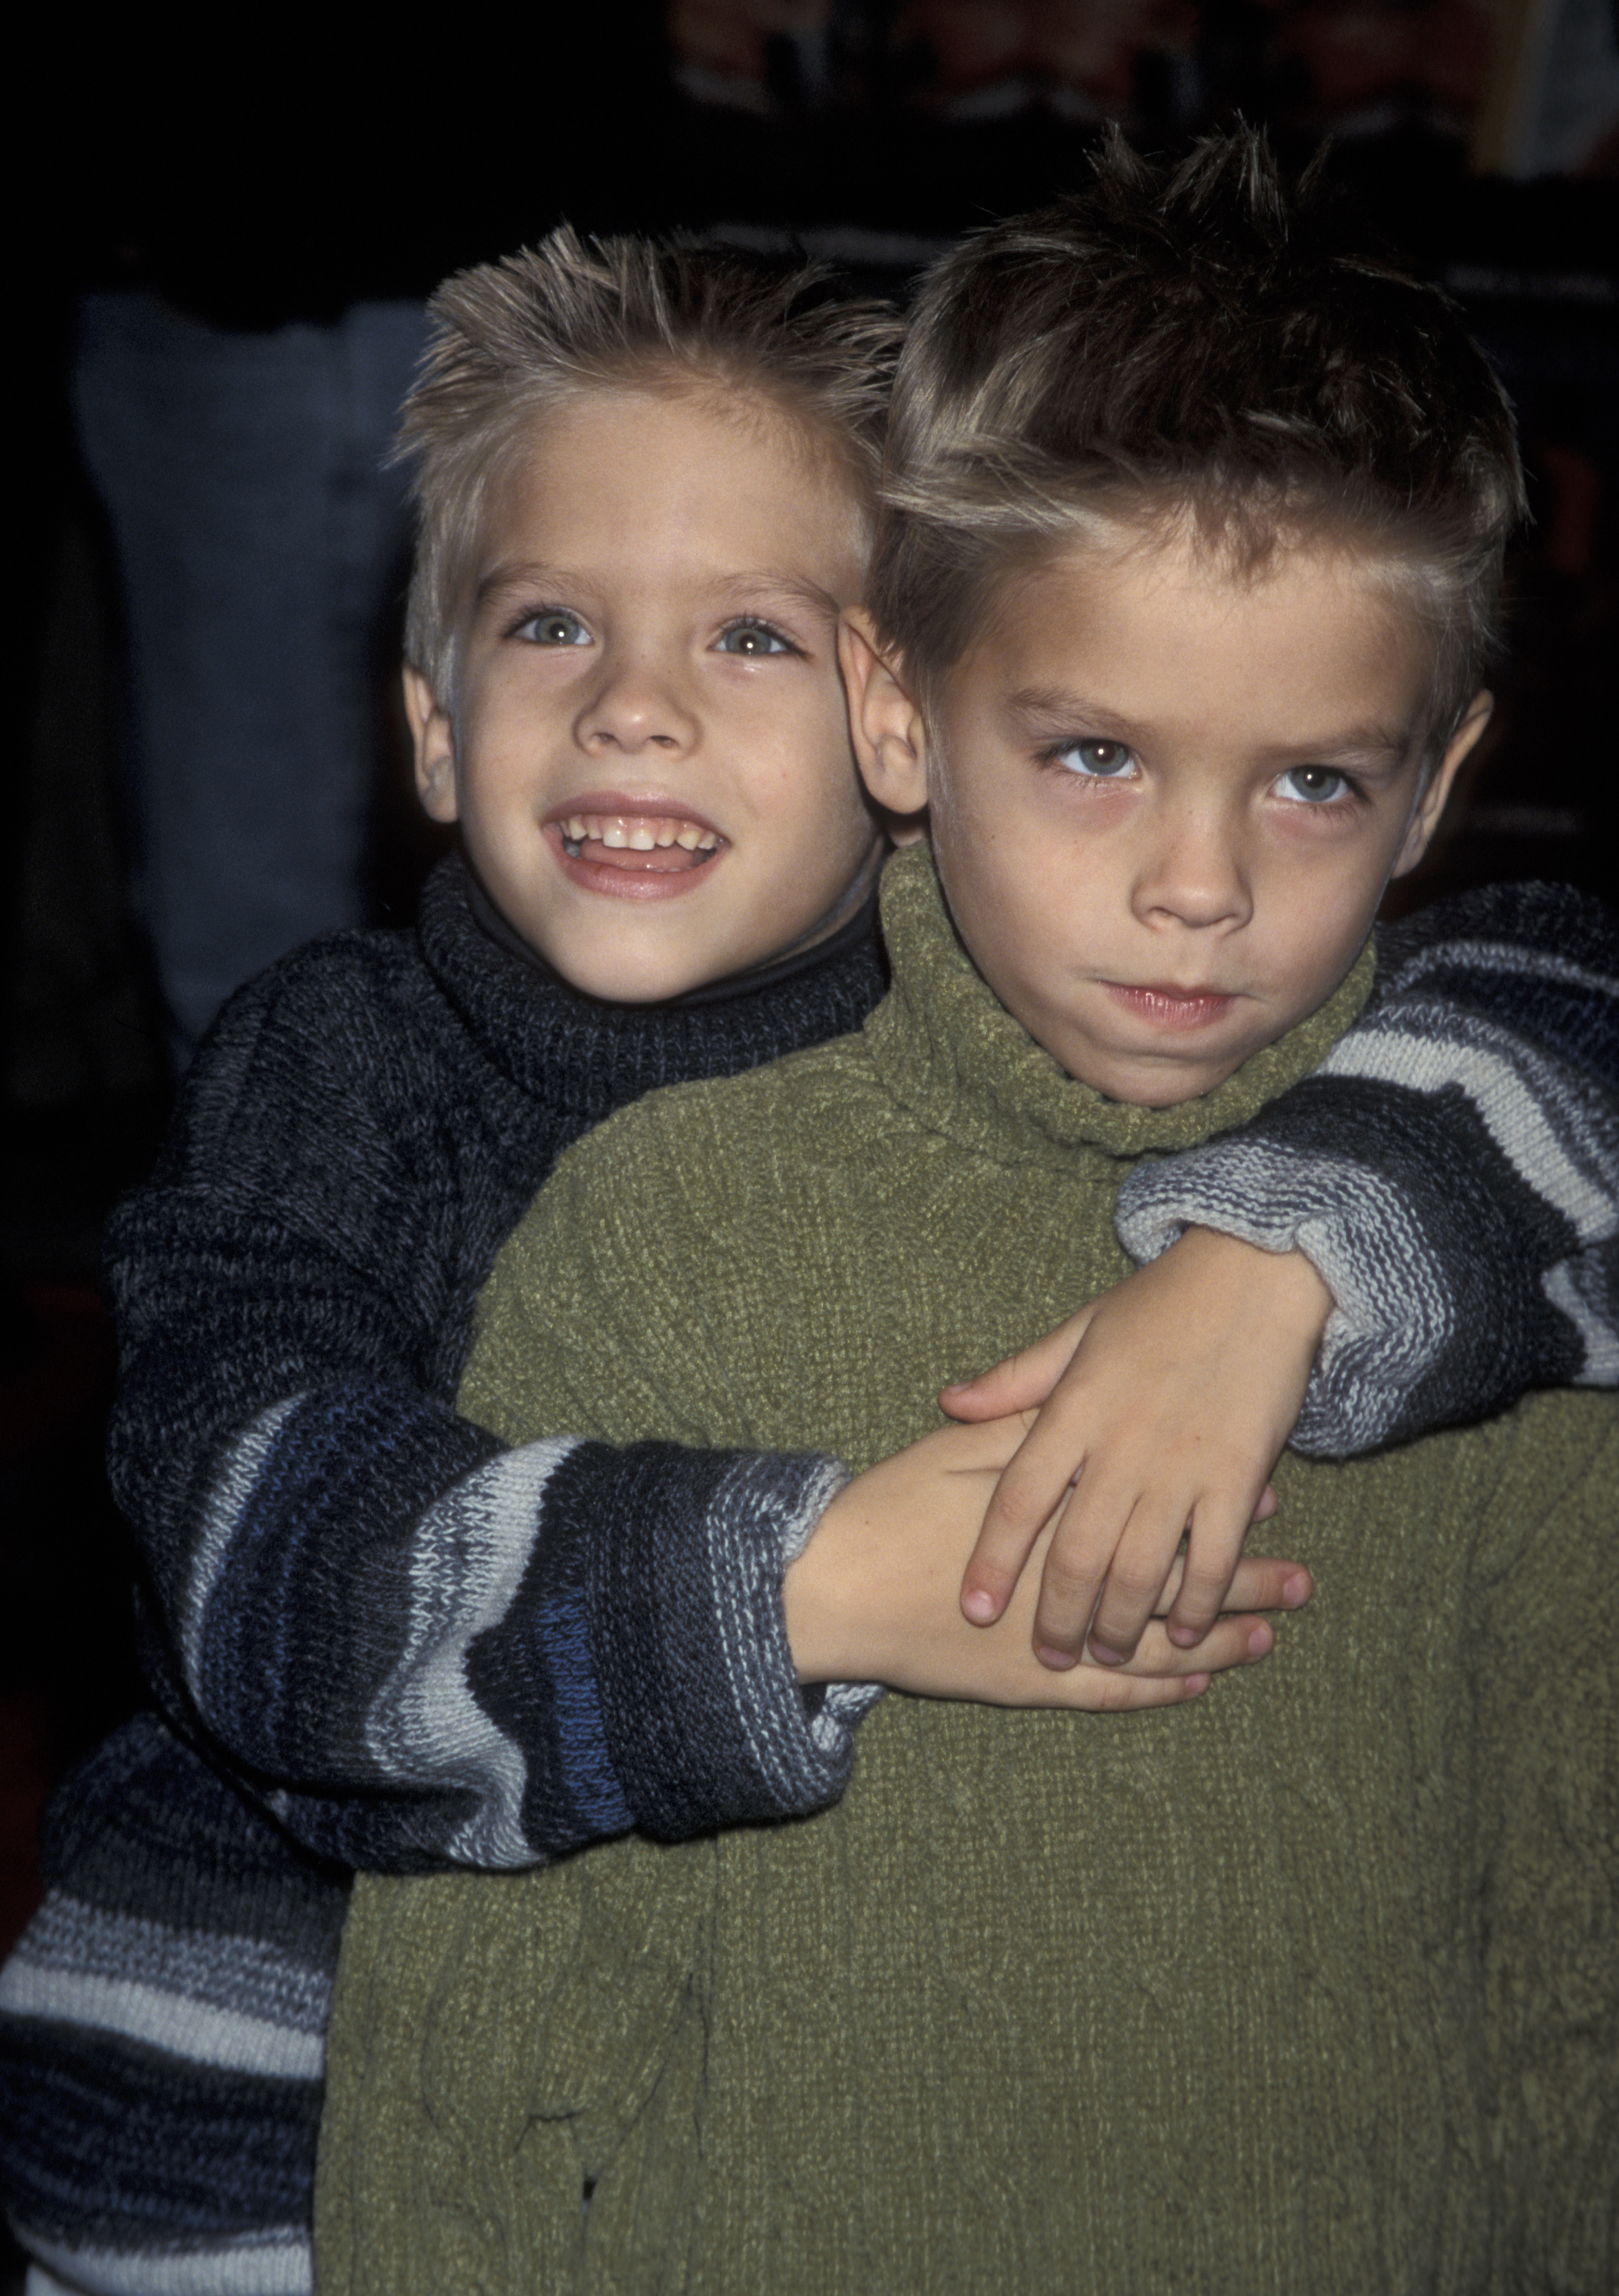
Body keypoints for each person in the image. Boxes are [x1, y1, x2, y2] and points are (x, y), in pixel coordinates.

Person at [5, 217, 1614, 2296]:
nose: (639, 713)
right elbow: (273, 1590)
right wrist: (820, 1583)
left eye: (748, 636)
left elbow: (1553, 996)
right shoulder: (343, 1068)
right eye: (552, 626)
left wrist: (1270, 1270)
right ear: (427, 721)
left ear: (896, 721)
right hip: (253, 2146)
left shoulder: (1014, 1002)